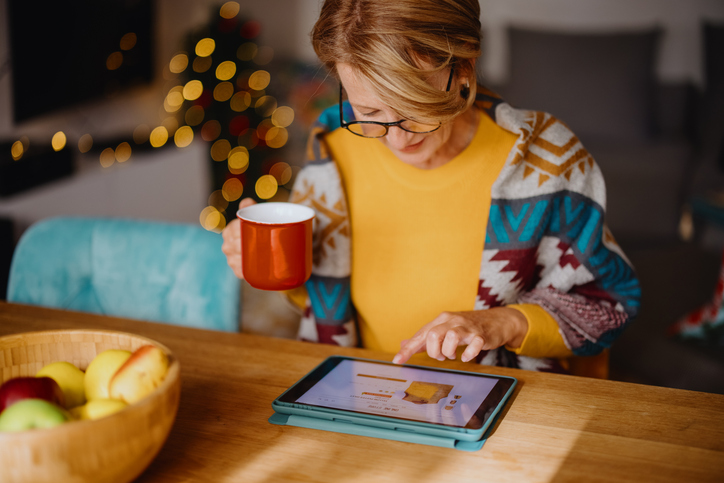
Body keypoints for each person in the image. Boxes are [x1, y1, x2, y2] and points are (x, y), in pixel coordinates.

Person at [222, 0, 640, 375]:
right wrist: (272, 262)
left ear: (464, 66)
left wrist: (497, 323)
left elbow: (607, 304)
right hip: (356, 398)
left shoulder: (545, 159)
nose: (397, 139)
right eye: (369, 112)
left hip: (506, 409)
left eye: (416, 107)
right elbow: (320, 295)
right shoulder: (332, 150)